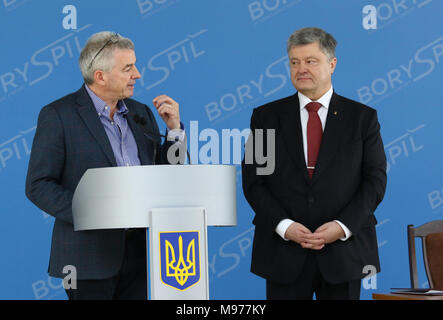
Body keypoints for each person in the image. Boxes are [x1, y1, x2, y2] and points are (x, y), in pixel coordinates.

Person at [25, 31, 185, 300]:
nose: (138, 74)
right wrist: (94, 212)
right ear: (100, 76)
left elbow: (167, 178)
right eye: (128, 68)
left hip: (139, 256)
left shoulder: (141, 113)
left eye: (135, 65)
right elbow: (38, 185)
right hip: (86, 260)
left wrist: (175, 133)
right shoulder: (58, 115)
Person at [242, 27, 387, 300]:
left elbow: (375, 181)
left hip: (344, 253)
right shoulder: (265, 118)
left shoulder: (362, 119)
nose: (301, 69)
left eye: (310, 61)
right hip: (283, 254)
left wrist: (341, 226)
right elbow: (254, 181)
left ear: (332, 64)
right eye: (294, 62)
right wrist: (284, 226)